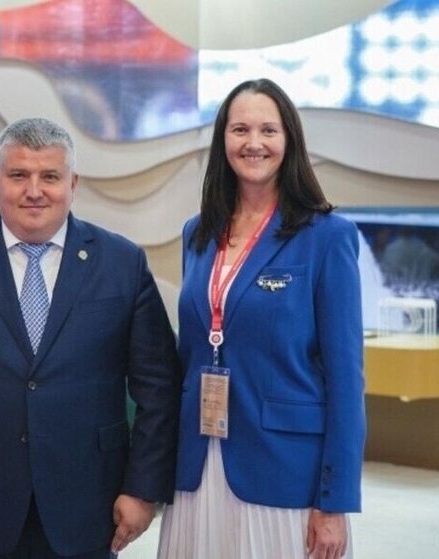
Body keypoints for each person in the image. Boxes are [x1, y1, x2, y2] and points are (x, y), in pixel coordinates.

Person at [0, 117, 181, 559]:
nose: (34, 190)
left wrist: (142, 489)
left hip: (90, 504)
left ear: (73, 184)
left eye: (50, 177)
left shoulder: (122, 263)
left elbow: (158, 387)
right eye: (19, 175)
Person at [157, 78, 366, 559]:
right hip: (199, 463)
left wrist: (334, 501)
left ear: (289, 140)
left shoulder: (327, 236)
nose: (254, 142)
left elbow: (345, 379)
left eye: (268, 130)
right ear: (223, 140)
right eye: (240, 129)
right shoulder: (198, 233)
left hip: (284, 470)